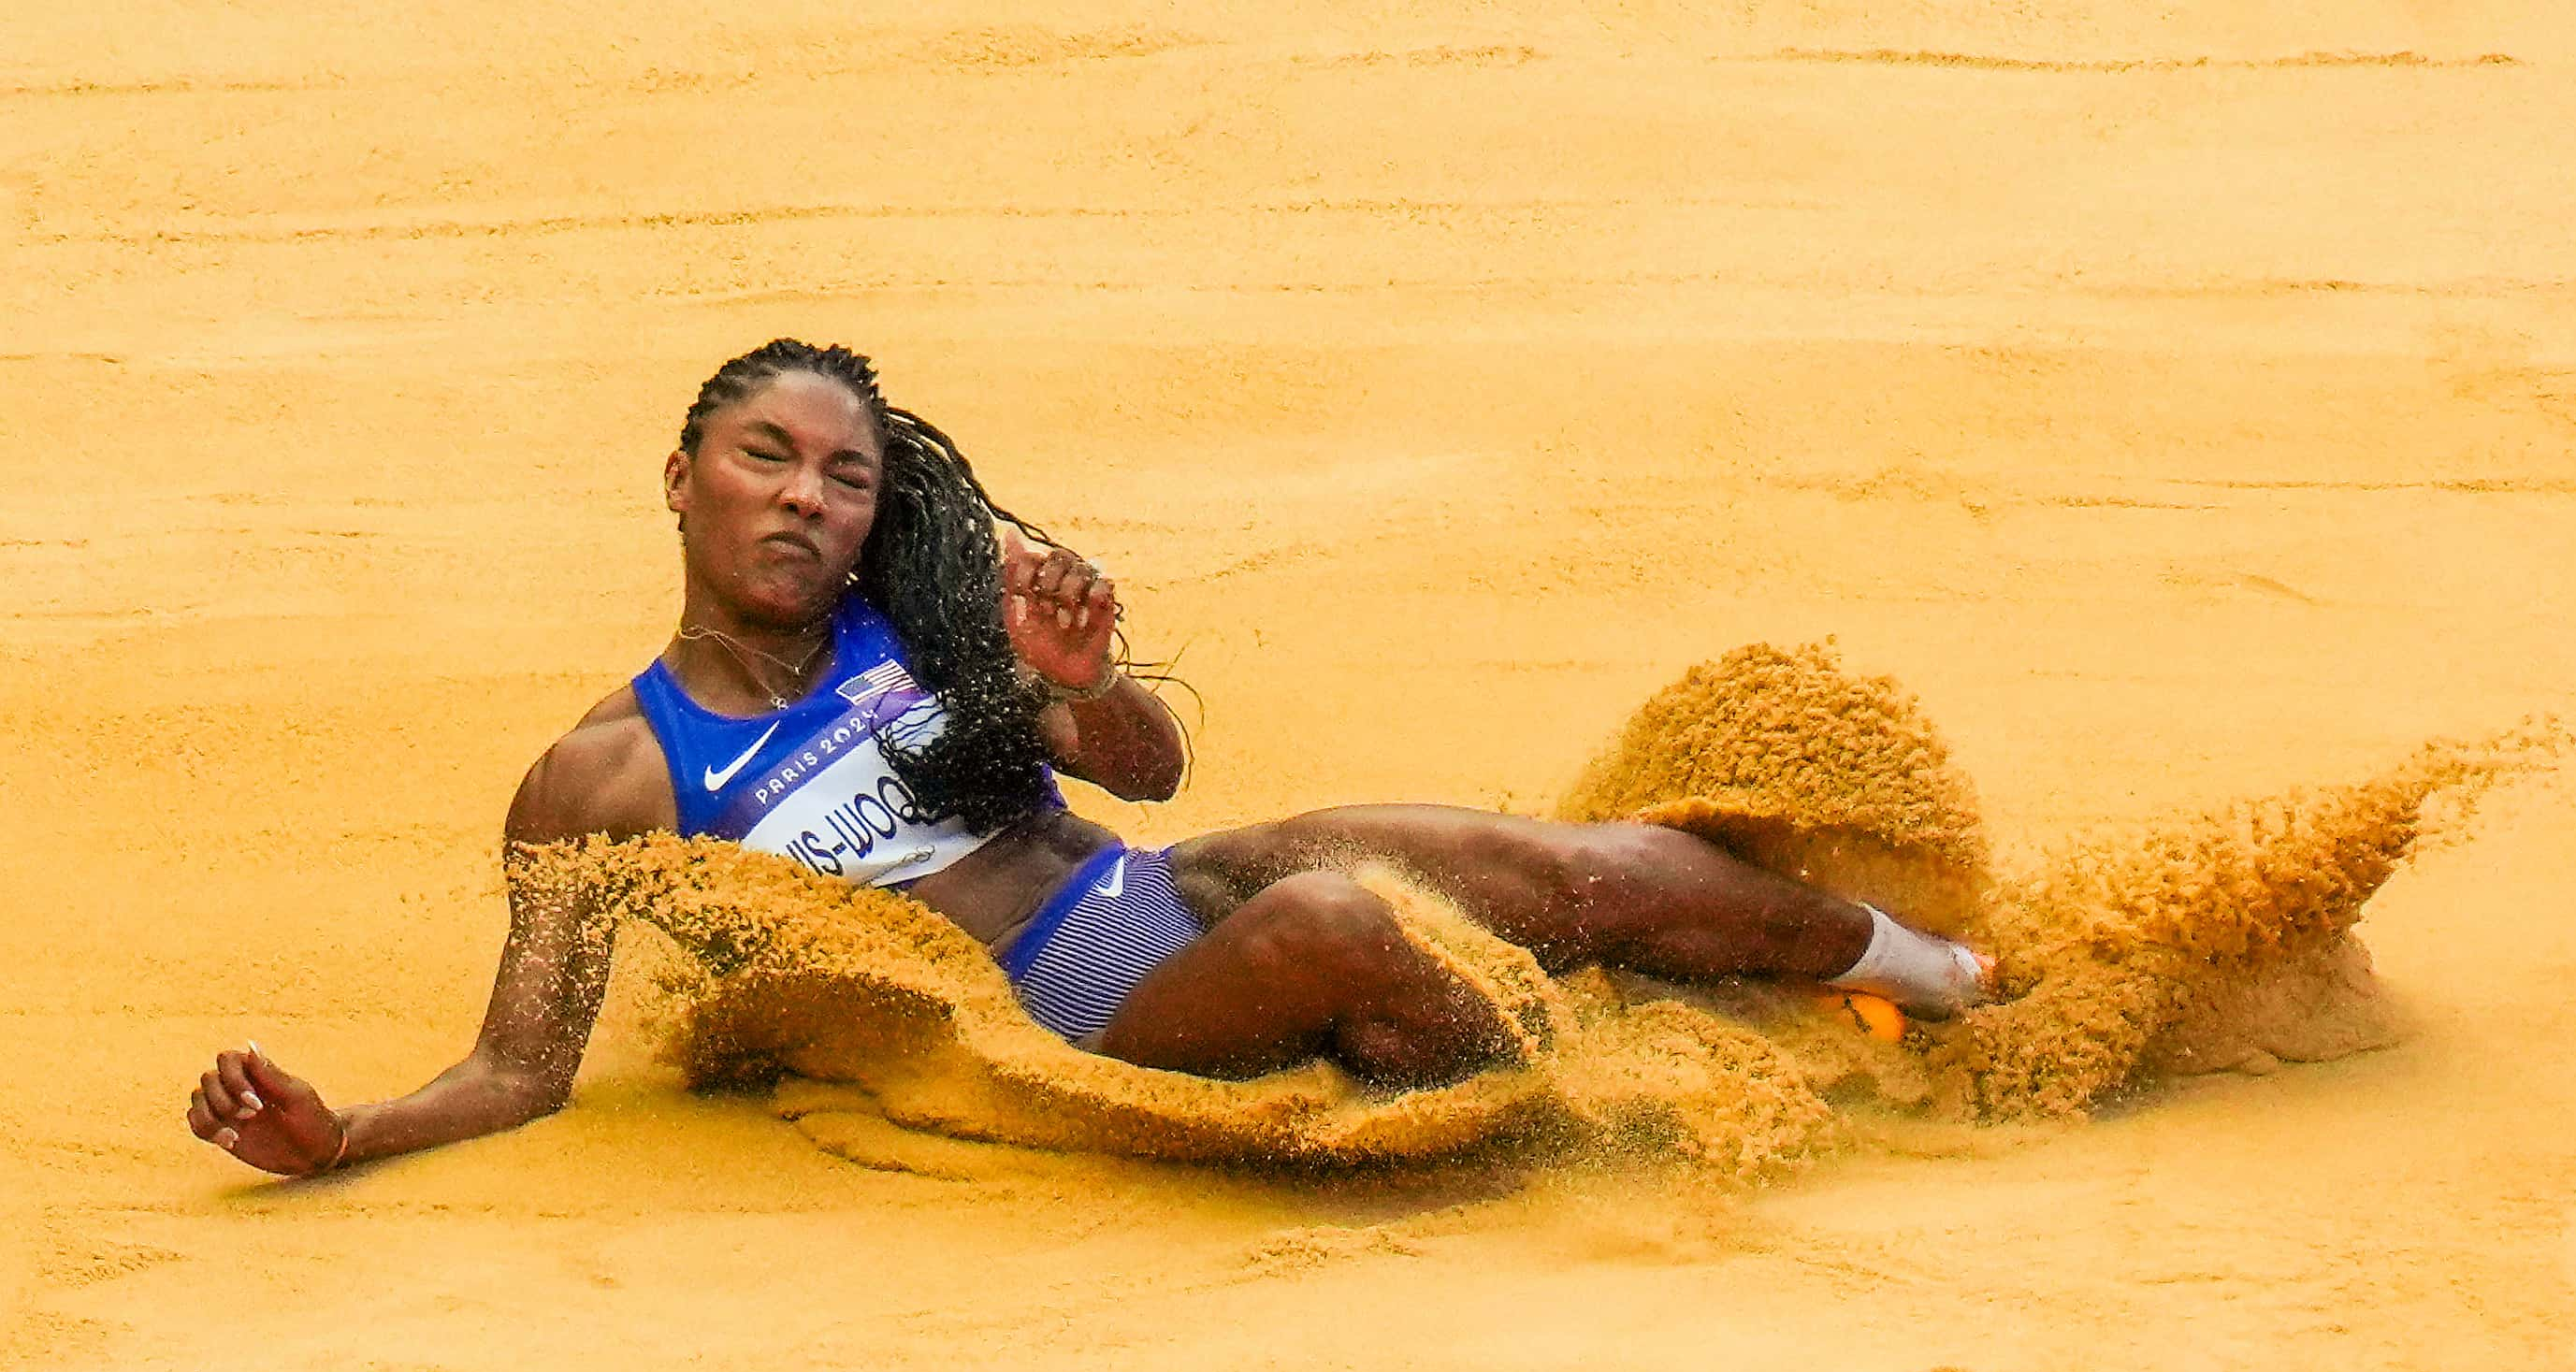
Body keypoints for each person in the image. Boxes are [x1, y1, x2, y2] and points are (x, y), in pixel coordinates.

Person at [187, 339, 1990, 1177]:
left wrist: (1083, 675)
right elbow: (520, 1061)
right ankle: (1595, 1067)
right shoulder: (608, 779)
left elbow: (1145, 773)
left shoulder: (918, 627)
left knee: (1550, 857)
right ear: (683, 480)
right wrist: (343, 1135)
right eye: (765, 458)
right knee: (1349, 921)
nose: (806, 499)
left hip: (1152, 898)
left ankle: (1954, 978)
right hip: (1064, 1010)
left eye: (846, 476)